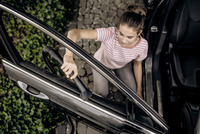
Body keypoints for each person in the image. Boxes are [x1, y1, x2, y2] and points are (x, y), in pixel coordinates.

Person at [61, 3, 148, 99]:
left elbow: (137, 64)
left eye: (129, 37)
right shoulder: (109, 33)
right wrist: (69, 56)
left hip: (121, 65)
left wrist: (139, 90)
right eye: (121, 33)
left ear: (139, 33)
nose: (123, 40)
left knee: (133, 95)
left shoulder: (142, 46)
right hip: (101, 63)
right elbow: (73, 32)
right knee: (101, 95)